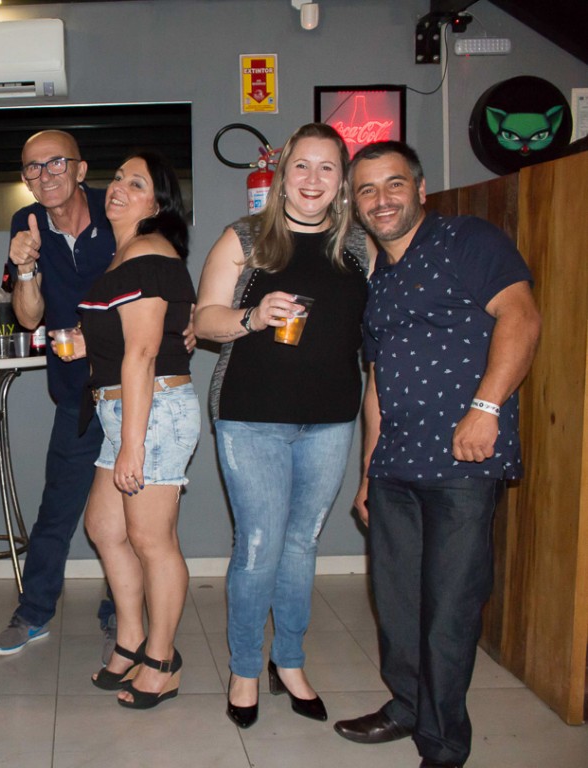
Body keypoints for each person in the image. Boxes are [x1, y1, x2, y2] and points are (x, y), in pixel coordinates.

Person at [333, 141, 540, 768]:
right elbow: (377, 379)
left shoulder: (466, 240)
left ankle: (445, 744)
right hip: (395, 466)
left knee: (448, 611)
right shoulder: (377, 277)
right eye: (367, 190)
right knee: (397, 605)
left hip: (462, 462)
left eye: (394, 184)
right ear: (355, 204)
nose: (381, 199)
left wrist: (486, 408)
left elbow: (521, 317)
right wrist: (368, 471)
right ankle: (406, 706)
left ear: (421, 189)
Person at [194, 123, 369, 729]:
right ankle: (245, 668)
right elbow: (205, 320)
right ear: (282, 174)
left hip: (331, 419)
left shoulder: (359, 246)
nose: (313, 179)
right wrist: (253, 315)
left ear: (342, 181)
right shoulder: (245, 238)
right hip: (251, 417)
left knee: (301, 545)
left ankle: (289, 662)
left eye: (327, 168)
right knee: (259, 546)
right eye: (302, 166)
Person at [75, 151, 199, 709]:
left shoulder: (148, 251)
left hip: (152, 412)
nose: (119, 187)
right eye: (119, 178)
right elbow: (127, 339)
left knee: (152, 540)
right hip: (124, 411)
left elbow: (144, 353)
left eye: (137, 183)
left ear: (157, 204)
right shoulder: (122, 256)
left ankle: (162, 661)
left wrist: (132, 445)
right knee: (105, 527)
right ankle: (129, 639)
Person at [0, 130, 118, 657]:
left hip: (134, 386)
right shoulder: (28, 223)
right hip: (76, 393)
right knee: (57, 509)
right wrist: (23, 267)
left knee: (130, 514)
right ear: (25, 179)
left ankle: (121, 615)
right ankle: (34, 612)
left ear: (81, 169)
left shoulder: (116, 207)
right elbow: (28, 318)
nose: (45, 175)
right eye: (33, 168)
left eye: (56, 163)